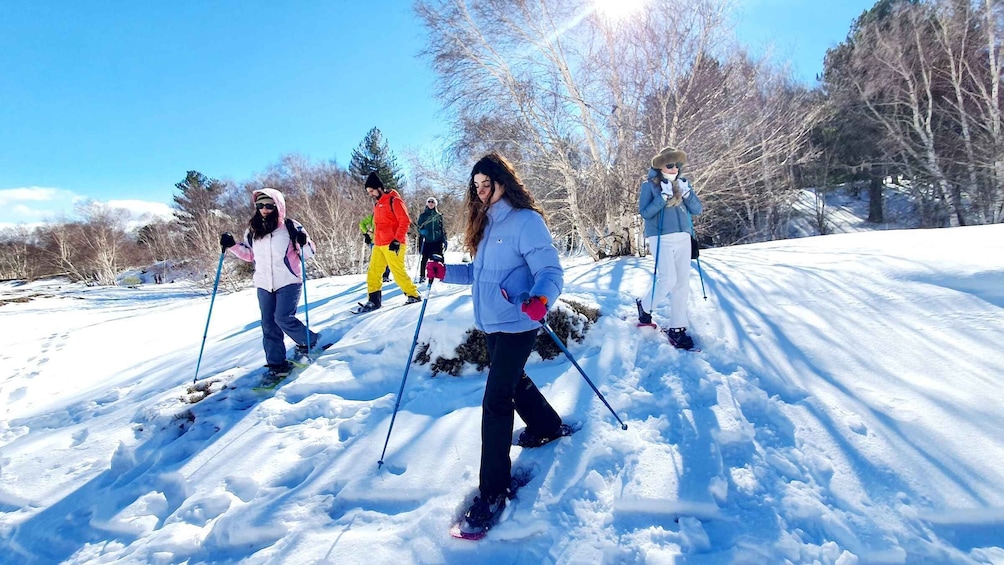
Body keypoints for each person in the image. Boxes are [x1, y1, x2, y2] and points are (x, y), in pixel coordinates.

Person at [425, 152, 570, 533]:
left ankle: (493, 491)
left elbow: (550, 270)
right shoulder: (486, 224)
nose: (481, 191)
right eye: (476, 186)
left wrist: (541, 298)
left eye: (486, 183)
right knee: (513, 381)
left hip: (519, 322)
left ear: (503, 180)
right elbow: (479, 273)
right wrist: (444, 273)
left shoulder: (526, 221)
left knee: (496, 399)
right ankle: (547, 425)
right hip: (492, 323)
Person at [220, 188, 319, 378]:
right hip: (264, 284)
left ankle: (309, 340)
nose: (264, 209)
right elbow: (250, 255)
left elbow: (308, 254)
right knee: (268, 324)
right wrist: (232, 245)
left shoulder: (290, 227)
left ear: (277, 205)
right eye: (260, 205)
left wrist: (303, 242)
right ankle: (276, 364)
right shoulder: (253, 230)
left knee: (282, 318)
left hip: (288, 280)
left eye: (268, 205)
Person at [636, 146, 703, 350]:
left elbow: (697, 210)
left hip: (683, 236)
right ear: (660, 166)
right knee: (667, 279)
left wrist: (688, 194)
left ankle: (678, 328)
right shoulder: (649, 186)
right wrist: (662, 198)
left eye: (677, 165)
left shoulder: (683, 184)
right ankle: (645, 306)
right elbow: (645, 213)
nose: (674, 168)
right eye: (670, 164)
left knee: (682, 283)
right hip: (660, 237)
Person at [355, 172, 421, 312]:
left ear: (379, 187)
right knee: (373, 272)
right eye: (368, 192)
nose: (370, 194)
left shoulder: (394, 200)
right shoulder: (378, 204)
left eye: (371, 191)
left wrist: (397, 240)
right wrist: (369, 235)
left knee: (398, 272)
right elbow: (380, 225)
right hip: (379, 244)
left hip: (393, 244)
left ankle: (413, 294)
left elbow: (405, 221)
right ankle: (374, 301)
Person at [416, 196, 446, 283]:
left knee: (439, 258)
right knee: (424, 259)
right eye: (429, 202)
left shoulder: (439, 216)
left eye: (432, 202)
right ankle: (422, 276)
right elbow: (418, 227)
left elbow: (442, 228)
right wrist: (422, 231)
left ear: (435, 204)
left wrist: (444, 238)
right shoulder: (423, 216)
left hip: (437, 240)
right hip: (427, 240)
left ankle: (440, 275)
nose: (430, 203)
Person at [359, 214, 391, 282]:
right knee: (376, 260)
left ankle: (384, 276)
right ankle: (376, 276)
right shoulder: (373, 216)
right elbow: (362, 223)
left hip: (385, 240)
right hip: (376, 241)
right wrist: (367, 232)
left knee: (386, 259)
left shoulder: (388, 215)